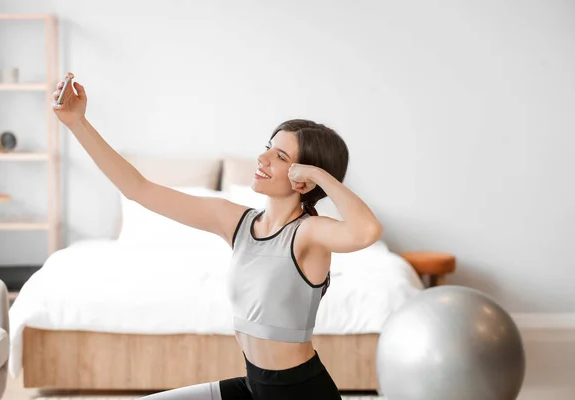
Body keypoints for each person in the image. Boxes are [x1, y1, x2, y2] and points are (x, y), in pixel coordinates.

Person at [52, 72, 383, 400]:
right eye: (268, 148)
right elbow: (138, 189)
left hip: (300, 393)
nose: (262, 158)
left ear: (303, 180)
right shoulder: (237, 222)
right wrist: (77, 123)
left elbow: (366, 231)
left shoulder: (309, 233)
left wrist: (318, 175)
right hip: (253, 387)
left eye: (280, 157)